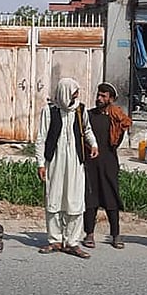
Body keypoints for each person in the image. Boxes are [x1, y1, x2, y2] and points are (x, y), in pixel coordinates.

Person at [35, 78, 99, 259]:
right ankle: (54, 240)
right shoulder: (49, 111)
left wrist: (93, 144)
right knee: (53, 198)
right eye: (73, 92)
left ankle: (72, 242)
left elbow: (87, 130)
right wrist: (40, 163)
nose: (76, 95)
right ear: (65, 93)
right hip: (55, 160)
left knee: (75, 200)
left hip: (75, 161)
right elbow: (41, 138)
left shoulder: (80, 110)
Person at [82, 82, 132, 250]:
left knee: (111, 198)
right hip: (90, 162)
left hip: (109, 162)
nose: (99, 98)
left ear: (111, 99)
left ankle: (115, 234)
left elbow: (117, 142)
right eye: (98, 95)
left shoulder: (116, 119)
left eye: (103, 96)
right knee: (90, 198)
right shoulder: (88, 115)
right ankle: (89, 234)